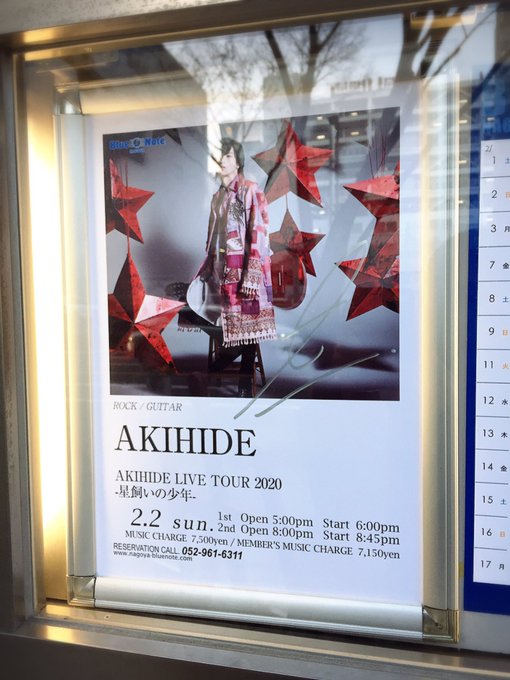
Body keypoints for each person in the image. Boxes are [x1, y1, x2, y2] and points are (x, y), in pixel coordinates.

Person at [186, 137, 276, 397]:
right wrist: (207, 271)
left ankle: (239, 382)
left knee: (249, 323)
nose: (222, 160)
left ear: (238, 162)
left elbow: (258, 234)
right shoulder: (217, 197)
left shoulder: (250, 190)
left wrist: (251, 276)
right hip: (221, 274)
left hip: (247, 272)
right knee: (192, 309)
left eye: (227, 156)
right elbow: (213, 239)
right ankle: (224, 357)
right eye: (219, 156)